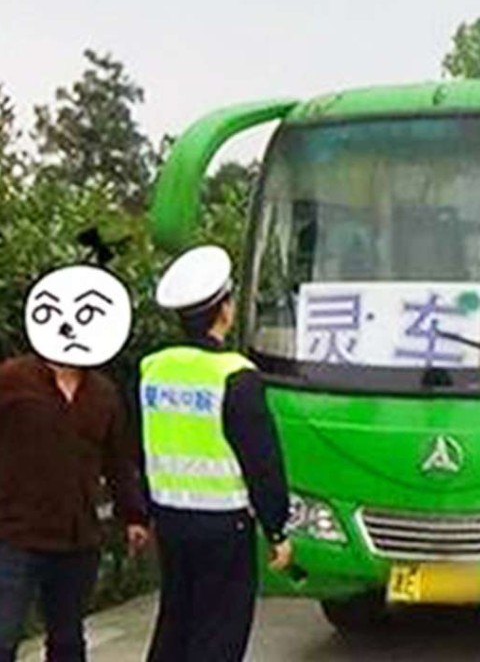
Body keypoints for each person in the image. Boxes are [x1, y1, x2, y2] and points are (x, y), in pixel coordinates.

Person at [141, 245, 293, 662]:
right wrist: (276, 528)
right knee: (219, 633)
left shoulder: (152, 368)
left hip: (170, 520)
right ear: (225, 310)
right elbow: (261, 462)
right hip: (224, 527)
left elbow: (143, 445)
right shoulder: (235, 375)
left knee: (175, 621)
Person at [0, 346, 149, 661]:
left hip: (76, 537)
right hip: (14, 534)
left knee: (68, 640)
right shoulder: (12, 379)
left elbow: (117, 461)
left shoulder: (103, 393)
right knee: (4, 634)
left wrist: (134, 515)